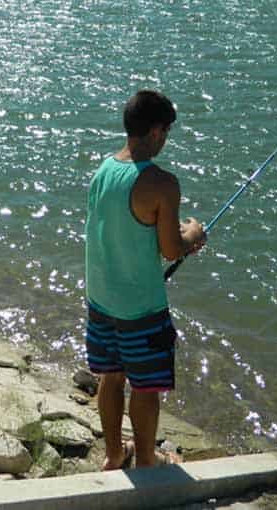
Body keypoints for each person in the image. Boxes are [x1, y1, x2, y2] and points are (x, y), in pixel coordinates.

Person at [84, 89, 207, 469]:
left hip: (102, 301)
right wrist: (195, 233)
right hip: (141, 308)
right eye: (167, 131)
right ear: (156, 131)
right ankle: (148, 462)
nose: (166, 138)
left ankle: (113, 454)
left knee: (111, 377)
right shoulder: (161, 183)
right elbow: (171, 248)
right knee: (147, 387)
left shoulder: (103, 170)